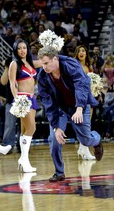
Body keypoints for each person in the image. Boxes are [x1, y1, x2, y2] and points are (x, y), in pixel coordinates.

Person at [37, 46, 104, 182]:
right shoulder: (43, 76)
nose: (43, 67)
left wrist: (79, 108)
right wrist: (56, 127)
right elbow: (48, 103)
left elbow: (82, 85)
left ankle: (97, 141)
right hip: (60, 109)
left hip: (79, 105)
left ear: (55, 59)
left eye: (46, 63)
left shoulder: (70, 64)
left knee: (85, 139)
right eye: (42, 64)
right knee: (54, 139)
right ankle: (59, 172)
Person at [8, 39, 39, 173]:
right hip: (22, 98)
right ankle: (23, 159)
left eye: (24, 48)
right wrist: (17, 100)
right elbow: (12, 83)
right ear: (16, 50)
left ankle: (24, 161)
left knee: (25, 129)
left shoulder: (30, 63)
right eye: (19, 48)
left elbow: (44, 61)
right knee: (31, 128)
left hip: (32, 98)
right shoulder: (14, 63)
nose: (22, 50)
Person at [73, 45, 96, 160]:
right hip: (78, 99)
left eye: (83, 51)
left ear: (86, 53)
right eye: (79, 51)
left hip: (89, 97)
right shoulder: (74, 66)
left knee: (87, 124)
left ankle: (82, 148)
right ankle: (84, 149)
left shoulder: (89, 66)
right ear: (76, 54)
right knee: (82, 124)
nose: (81, 53)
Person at [0, 57, 21, 154]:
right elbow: (3, 82)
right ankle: (8, 146)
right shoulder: (9, 68)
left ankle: (22, 146)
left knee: (23, 126)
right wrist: (7, 67)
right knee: (9, 125)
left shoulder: (23, 66)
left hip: (23, 100)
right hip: (11, 101)